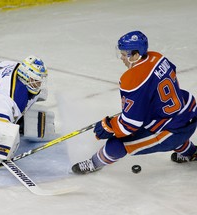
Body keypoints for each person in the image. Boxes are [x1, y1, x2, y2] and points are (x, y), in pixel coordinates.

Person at [72, 30, 197, 174]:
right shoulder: (157, 57)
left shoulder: (132, 79)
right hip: (189, 111)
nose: (122, 58)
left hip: (173, 130)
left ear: (136, 55)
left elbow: (130, 125)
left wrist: (108, 126)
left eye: (125, 54)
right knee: (168, 128)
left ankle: (93, 164)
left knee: (118, 143)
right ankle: (191, 152)